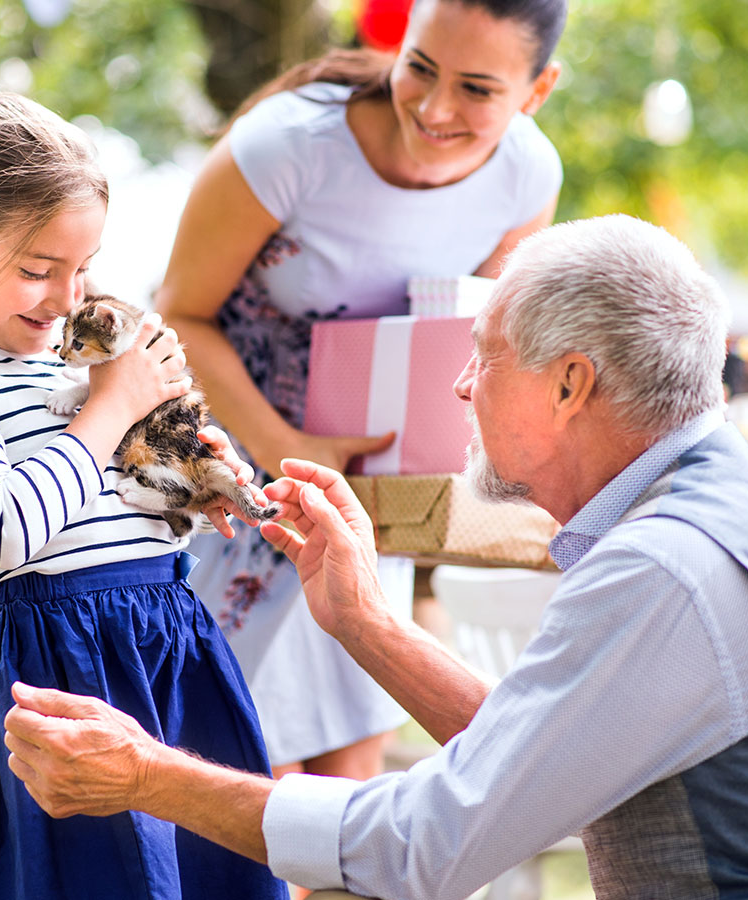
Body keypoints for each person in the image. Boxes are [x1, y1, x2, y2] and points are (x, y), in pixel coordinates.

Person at [3, 215, 748, 898]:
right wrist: (364, 622)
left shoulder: (673, 568)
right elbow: (539, 761)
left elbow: (428, 846)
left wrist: (147, 774)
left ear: (571, 383)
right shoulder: (727, 505)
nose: (462, 386)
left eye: (483, 356)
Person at [0, 92, 286, 900]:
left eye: (82, 268)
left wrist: (192, 484)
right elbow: (3, 532)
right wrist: (113, 405)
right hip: (61, 674)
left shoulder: (74, 361)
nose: (65, 297)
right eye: (36, 270)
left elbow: (116, 506)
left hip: (168, 651)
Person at [155, 0, 566, 784]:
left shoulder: (527, 174)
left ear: (537, 89)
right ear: (396, 42)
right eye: (419, 66)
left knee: (349, 768)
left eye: (478, 89)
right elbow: (179, 313)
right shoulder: (289, 143)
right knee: (230, 755)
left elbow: (482, 346)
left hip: (374, 490)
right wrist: (289, 453)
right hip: (237, 471)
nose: (436, 108)